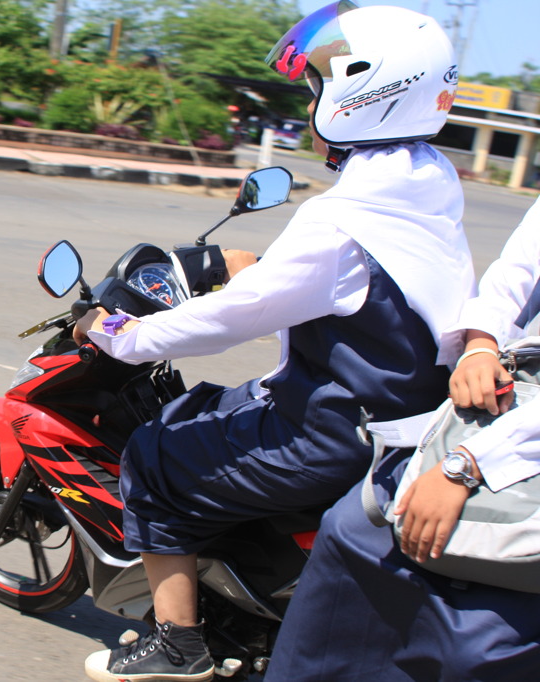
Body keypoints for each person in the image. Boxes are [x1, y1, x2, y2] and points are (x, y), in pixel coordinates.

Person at [80, 3, 477, 681]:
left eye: (321, 84)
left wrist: (122, 334)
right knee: (202, 409)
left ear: (364, 90)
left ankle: (178, 643)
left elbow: (234, 319)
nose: (314, 97)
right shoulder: (426, 174)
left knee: (151, 455)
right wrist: (257, 267)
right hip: (403, 411)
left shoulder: (339, 219)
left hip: (333, 432)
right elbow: (353, 278)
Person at [264, 197, 540, 681]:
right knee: (351, 525)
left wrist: (465, 465)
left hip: (512, 449)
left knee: (476, 641)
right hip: (509, 408)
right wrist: (480, 344)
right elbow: (517, 270)